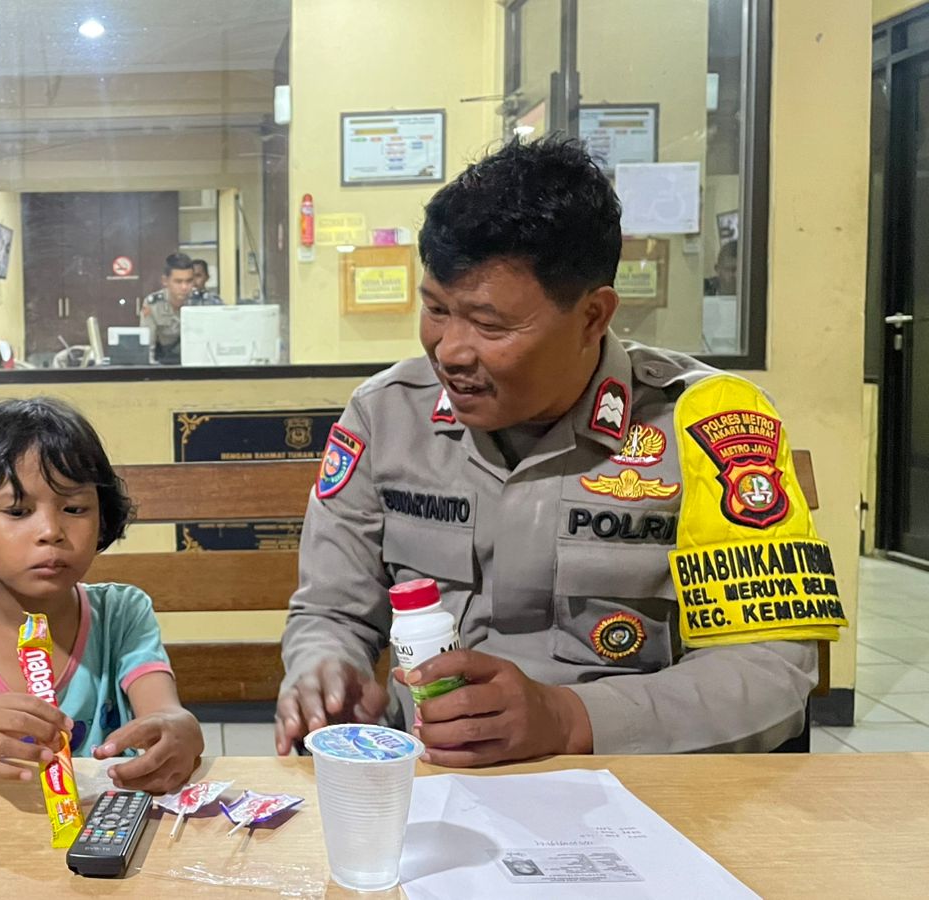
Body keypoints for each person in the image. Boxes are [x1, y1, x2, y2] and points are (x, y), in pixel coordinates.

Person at [274, 137, 845, 766]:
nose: (450, 351)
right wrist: (324, 670)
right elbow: (331, 610)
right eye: (436, 309)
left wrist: (570, 720)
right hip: (439, 785)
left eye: (490, 325)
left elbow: (770, 671)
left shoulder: (708, 426)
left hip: (642, 793)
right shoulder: (387, 418)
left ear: (593, 316)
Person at [0, 398, 203, 794]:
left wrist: (178, 728)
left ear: (102, 522)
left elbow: (162, 710)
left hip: (106, 834)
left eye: (75, 508)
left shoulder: (122, 614)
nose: (51, 530)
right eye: (17, 511)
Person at [139, 253, 218, 365]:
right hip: (166, 365)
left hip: (200, 364)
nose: (184, 287)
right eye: (178, 281)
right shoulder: (153, 304)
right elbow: (147, 347)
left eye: (189, 281)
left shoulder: (205, 301)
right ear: (165, 281)